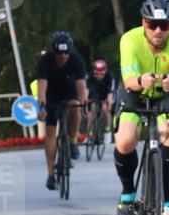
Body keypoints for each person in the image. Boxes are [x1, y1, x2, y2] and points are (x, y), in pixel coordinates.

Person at [115, 0, 169, 215]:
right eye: (152, 24)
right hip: (136, 90)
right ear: (143, 23)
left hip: (168, 92)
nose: (158, 31)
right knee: (126, 140)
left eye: (165, 25)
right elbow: (129, 80)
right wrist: (140, 81)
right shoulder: (129, 40)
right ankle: (127, 194)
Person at [35, 32, 88, 190]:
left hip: (69, 90)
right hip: (52, 94)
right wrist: (42, 107)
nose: (63, 56)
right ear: (54, 52)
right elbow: (42, 86)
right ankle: (51, 174)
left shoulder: (76, 60)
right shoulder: (45, 61)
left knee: (75, 107)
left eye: (66, 53)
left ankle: (72, 141)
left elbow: (81, 85)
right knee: (50, 131)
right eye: (59, 53)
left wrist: (84, 102)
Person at [85, 58, 116, 138]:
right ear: (93, 72)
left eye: (101, 74)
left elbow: (110, 92)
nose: (98, 76)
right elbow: (86, 91)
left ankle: (107, 130)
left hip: (107, 93)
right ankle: (89, 133)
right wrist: (85, 103)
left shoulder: (109, 76)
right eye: (96, 73)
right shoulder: (90, 76)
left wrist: (108, 103)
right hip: (95, 93)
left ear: (105, 72)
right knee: (91, 113)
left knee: (106, 108)